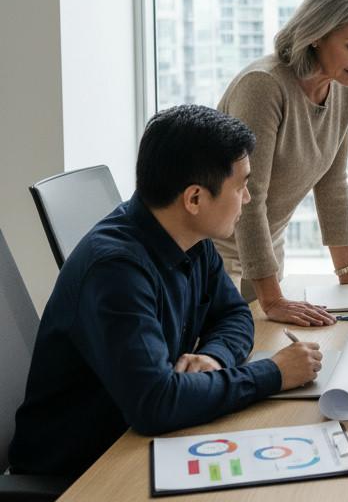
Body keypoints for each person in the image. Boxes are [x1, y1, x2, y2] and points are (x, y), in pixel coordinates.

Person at [9, 105, 322, 481]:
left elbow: (233, 314)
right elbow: (155, 405)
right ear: (194, 199)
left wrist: (214, 357)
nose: (249, 199)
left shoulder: (191, 236)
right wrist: (273, 373)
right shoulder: (116, 271)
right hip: (81, 476)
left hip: (132, 446)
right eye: (241, 186)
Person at [216, 0, 348, 327]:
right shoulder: (264, 86)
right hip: (211, 253)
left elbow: (332, 183)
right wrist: (273, 298)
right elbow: (251, 197)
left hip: (264, 253)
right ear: (316, 35)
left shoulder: (342, 88)